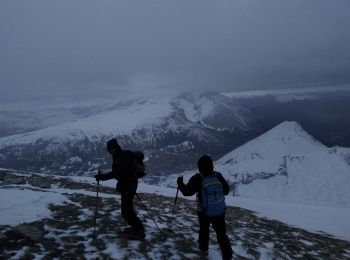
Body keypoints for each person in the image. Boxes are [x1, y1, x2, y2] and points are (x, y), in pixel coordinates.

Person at [177, 155, 233, 260]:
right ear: (212, 165)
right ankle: (227, 256)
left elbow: (186, 192)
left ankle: (204, 250)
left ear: (200, 167)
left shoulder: (198, 178)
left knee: (204, 229)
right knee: (222, 234)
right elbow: (226, 191)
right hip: (220, 210)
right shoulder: (218, 176)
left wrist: (180, 183)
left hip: (203, 211)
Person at [94, 138, 145, 240]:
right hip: (127, 185)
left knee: (126, 211)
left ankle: (139, 231)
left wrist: (102, 177)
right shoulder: (118, 156)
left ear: (115, 147)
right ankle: (136, 228)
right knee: (127, 210)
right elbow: (119, 172)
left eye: (111, 148)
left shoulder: (122, 157)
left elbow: (117, 172)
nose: (110, 151)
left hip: (129, 186)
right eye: (108, 149)